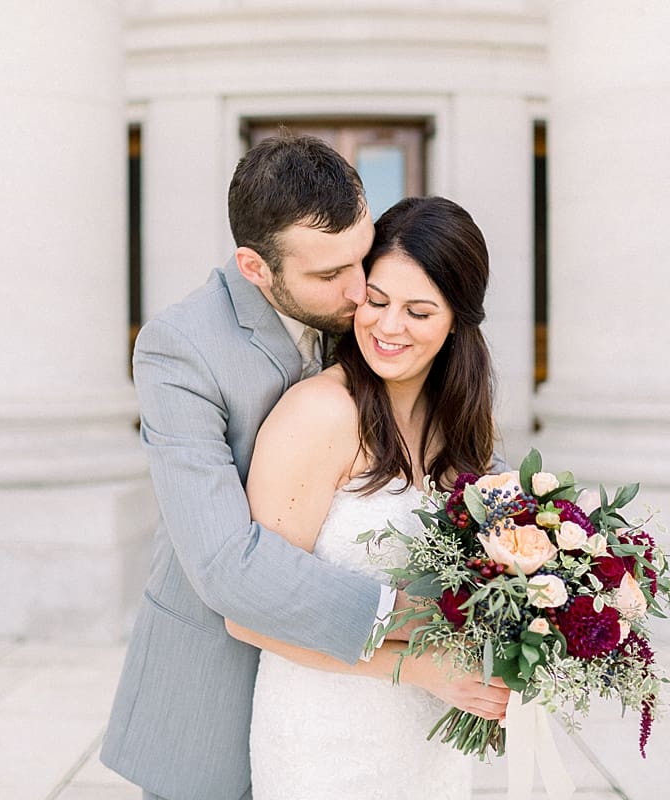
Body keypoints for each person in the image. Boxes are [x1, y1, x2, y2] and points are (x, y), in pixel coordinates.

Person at [100, 134, 507, 800]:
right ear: (257, 268)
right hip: (219, 680)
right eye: (330, 276)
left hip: (379, 715)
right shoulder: (181, 350)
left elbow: (442, 440)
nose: (359, 294)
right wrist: (422, 633)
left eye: (362, 256)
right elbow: (226, 566)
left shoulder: (374, 302)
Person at [227, 195, 500, 799]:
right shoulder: (319, 413)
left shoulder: (461, 431)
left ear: (457, 320)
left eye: (419, 311)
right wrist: (422, 666)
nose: (388, 326)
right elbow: (251, 612)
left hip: (430, 741)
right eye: (376, 301)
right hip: (326, 740)